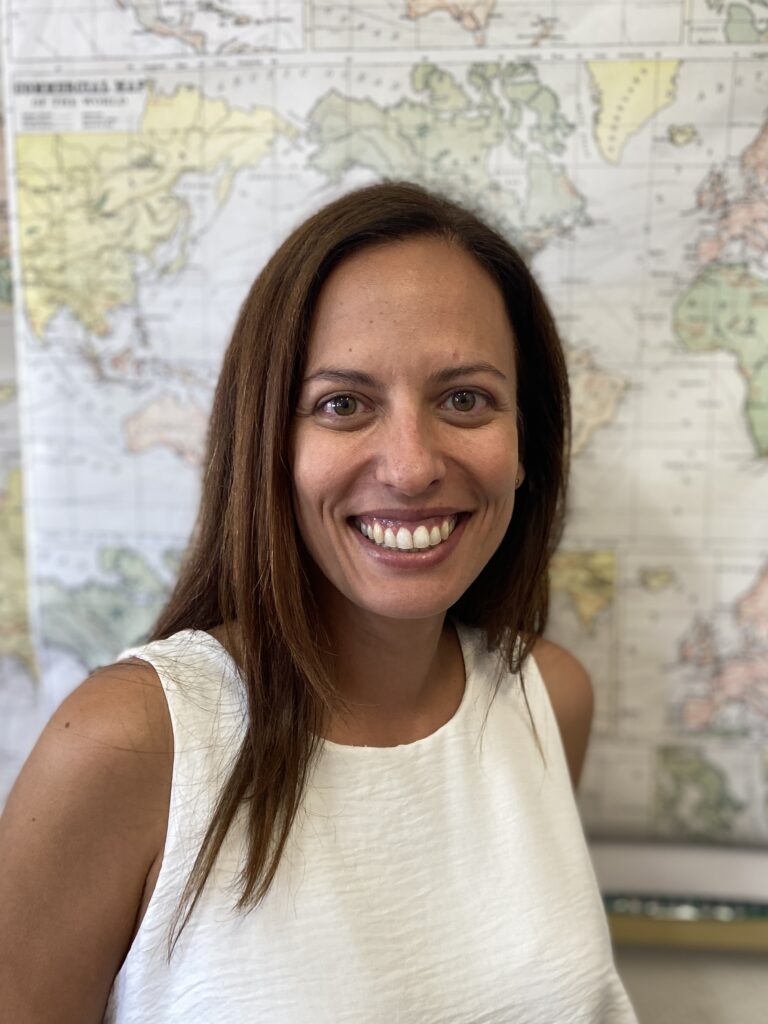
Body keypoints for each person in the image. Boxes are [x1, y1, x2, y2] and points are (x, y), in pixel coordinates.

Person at [0, 181, 637, 1022]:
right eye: (343, 404)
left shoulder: (547, 696)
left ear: (527, 443)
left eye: (464, 399)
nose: (411, 467)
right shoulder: (128, 743)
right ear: (268, 443)